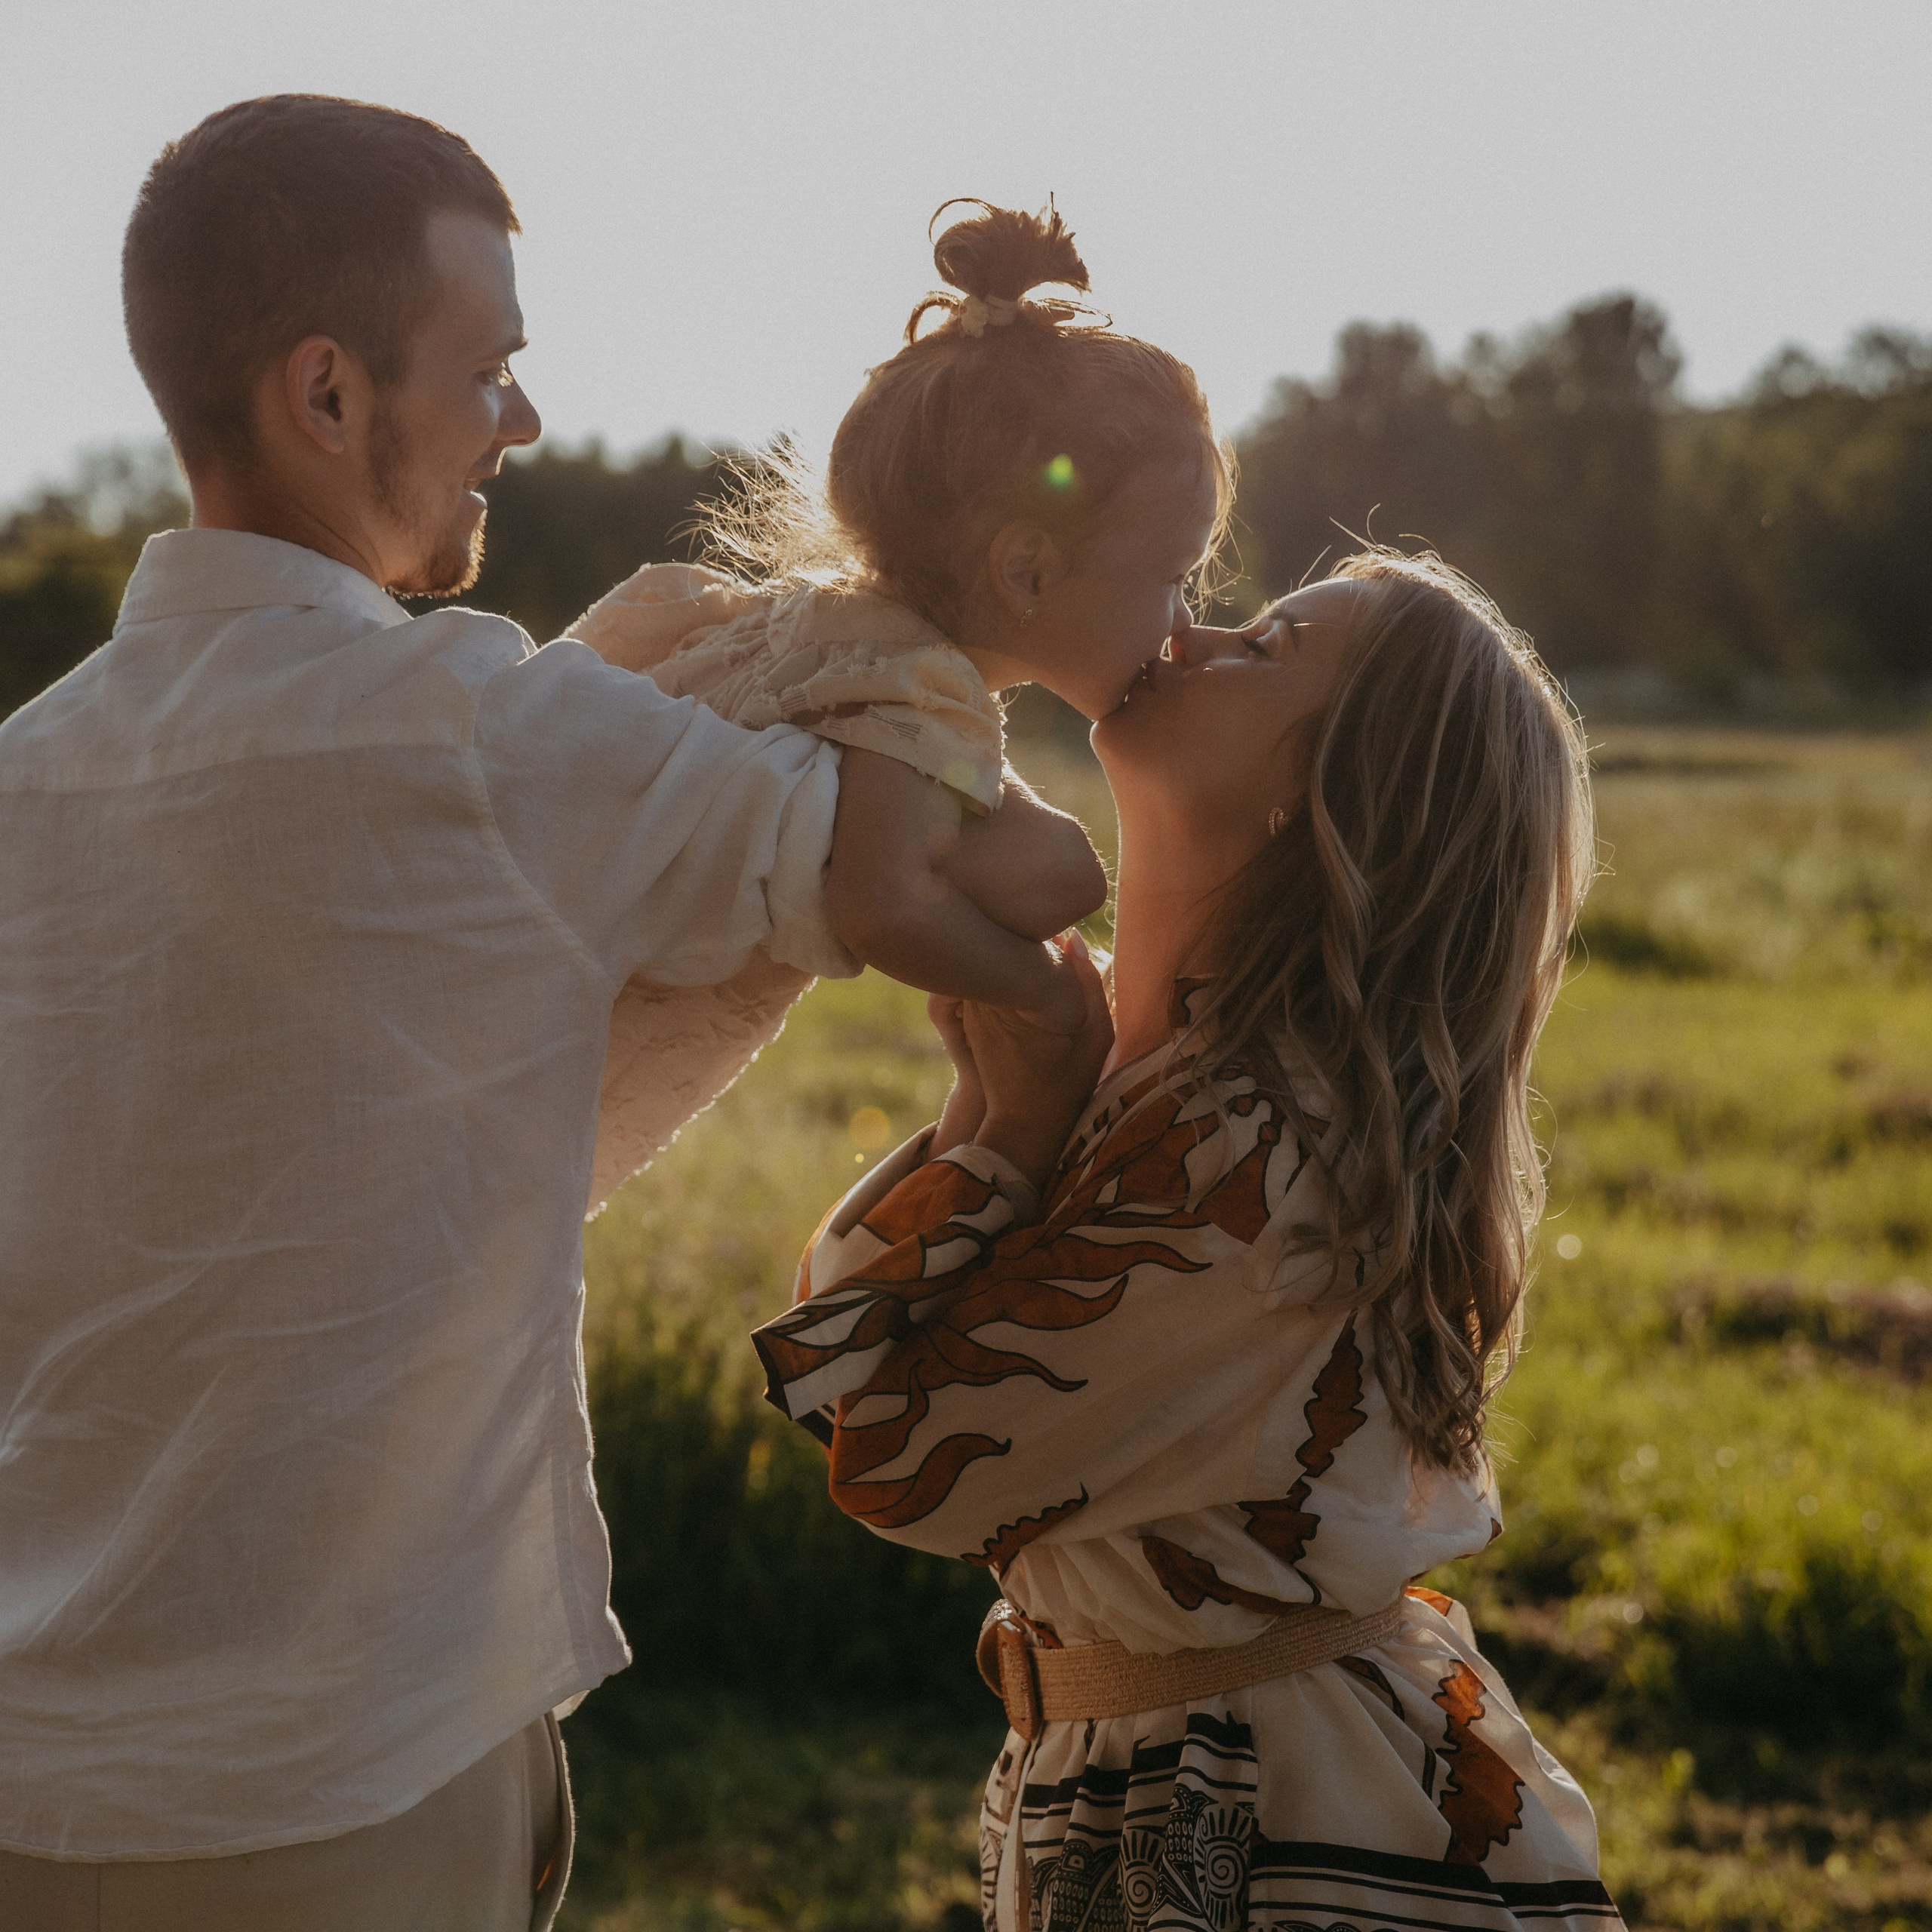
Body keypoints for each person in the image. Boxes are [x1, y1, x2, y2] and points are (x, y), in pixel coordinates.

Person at [0, 97, 1095, 1930]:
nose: (525, 418)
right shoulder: (497, 733)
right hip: (347, 1784)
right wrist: (855, 671)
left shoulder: (22, 776)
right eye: (492, 368)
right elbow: (997, 874)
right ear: (329, 396)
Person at [755, 552, 1627, 1930]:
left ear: (1326, 799)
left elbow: (898, 1459)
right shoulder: (1134, 1058)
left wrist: (1011, 1118)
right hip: (1136, 1771)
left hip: (1269, 1815)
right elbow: (842, 1362)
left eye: (1269, 647)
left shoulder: (1265, 1153)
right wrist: (1009, 1102)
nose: (1196, 633)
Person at [572, 200, 1224, 1024]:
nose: (1183, 621)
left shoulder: (820, 630)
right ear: (1026, 572)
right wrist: (1042, 995)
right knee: (1064, 872)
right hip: (555, 1014)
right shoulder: (921, 682)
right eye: (1172, 577)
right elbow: (880, 903)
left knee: (1056, 862)